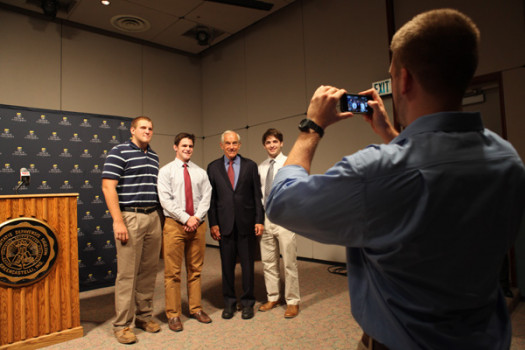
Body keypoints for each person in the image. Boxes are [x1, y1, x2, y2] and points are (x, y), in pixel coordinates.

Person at [266, 9, 525, 350]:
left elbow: (282, 202)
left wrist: (312, 127)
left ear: (403, 80)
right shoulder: (507, 158)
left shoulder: (377, 170)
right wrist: (391, 135)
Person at [102, 116, 163, 344]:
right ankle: (122, 325)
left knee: (148, 272)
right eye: (143, 128)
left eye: (150, 128)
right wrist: (118, 221)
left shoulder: (154, 156)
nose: (147, 131)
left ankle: (144, 317)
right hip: (130, 217)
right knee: (127, 275)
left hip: (152, 217)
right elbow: (108, 187)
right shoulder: (119, 152)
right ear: (132, 130)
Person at [157, 133, 213, 332]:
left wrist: (196, 218)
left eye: (190, 146)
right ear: (175, 147)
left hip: (198, 225)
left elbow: (206, 197)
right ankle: (173, 315)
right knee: (173, 272)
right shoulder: (165, 172)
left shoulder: (200, 172)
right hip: (174, 225)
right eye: (184, 145)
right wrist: (185, 218)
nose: (187, 149)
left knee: (195, 270)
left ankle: (196, 309)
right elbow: (166, 200)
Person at [207, 130, 264, 320]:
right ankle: (229, 303)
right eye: (228, 143)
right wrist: (213, 223)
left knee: (248, 267)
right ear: (222, 146)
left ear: (239, 145)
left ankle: (248, 303)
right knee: (227, 266)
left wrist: (259, 219)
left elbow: (257, 196)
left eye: (234, 143)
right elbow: (211, 199)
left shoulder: (250, 166)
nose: (231, 147)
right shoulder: (213, 167)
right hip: (224, 226)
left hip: (247, 224)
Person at [257, 128, 300, 318]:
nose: (272, 145)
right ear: (264, 145)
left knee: (289, 262)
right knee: (268, 261)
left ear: (281, 143)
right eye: (268, 142)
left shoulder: (291, 163)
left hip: (285, 217)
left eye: (275, 141)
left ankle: (292, 301)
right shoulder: (261, 167)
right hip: (266, 218)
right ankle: (273, 296)